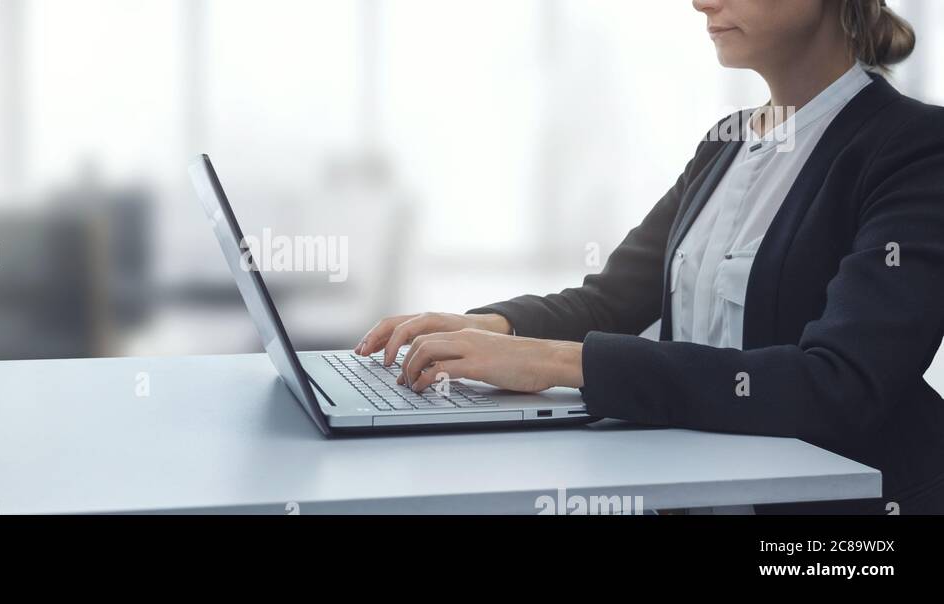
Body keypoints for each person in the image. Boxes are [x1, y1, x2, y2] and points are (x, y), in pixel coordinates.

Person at [355, 0, 943, 514]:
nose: (701, 3)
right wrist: (490, 327)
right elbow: (612, 300)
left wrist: (561, 364)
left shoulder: (916, 147)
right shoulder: (726, 143)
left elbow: (839, 384)